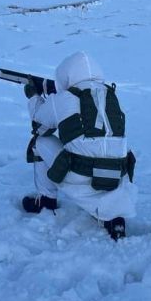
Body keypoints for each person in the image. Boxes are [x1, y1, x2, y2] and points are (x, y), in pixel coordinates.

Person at [23, 51, 137, 240]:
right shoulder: (111, 96)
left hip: (80, 175)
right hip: (116, 176)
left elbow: (39, 125)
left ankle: (46, 201)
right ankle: (112, 216)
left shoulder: (65, 98)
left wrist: (35, 97)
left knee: (39, 142)